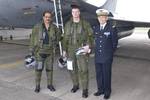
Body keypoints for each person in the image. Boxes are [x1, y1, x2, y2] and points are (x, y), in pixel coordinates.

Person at [62, 4, 93, 98]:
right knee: (71, 68)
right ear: (71, 13)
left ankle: (85, 89)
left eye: (76, 12)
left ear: (79, 13)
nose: (75, 13)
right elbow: (65, 39)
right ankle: (75, 85)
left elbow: (91, 36)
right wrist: (64, 50)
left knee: (83, 70)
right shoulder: (67, 24)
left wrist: (88, 46)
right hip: (70, 49)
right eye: (73, 12)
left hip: (81, 49)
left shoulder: (85, 24)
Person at [29, 10, 61, 93]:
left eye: (49, 17)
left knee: (49, 70)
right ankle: (37, 86)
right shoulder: (37, 27)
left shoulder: (54, 27)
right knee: (38, 70)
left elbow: (59, 36)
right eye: (46, 17)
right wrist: (31, 50)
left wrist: (55, 43)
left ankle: (49, 85)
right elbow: (32, 39)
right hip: (40, 53)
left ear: (51, 18)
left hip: (50, 53)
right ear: (43, 17)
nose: (47, 18)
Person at [93, 9, 118, 99]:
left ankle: (107, 91)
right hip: (98, 57)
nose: (101, 19)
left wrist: (110, 54)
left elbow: (114, 43)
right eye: (100, 17)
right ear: (98, 18)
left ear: (106, 18)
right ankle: (100, 90)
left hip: (107, 57)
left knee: (106, 74)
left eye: (103, 17)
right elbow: (95, 42)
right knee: (99, 74)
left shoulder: (112, 28)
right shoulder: (95, 28)